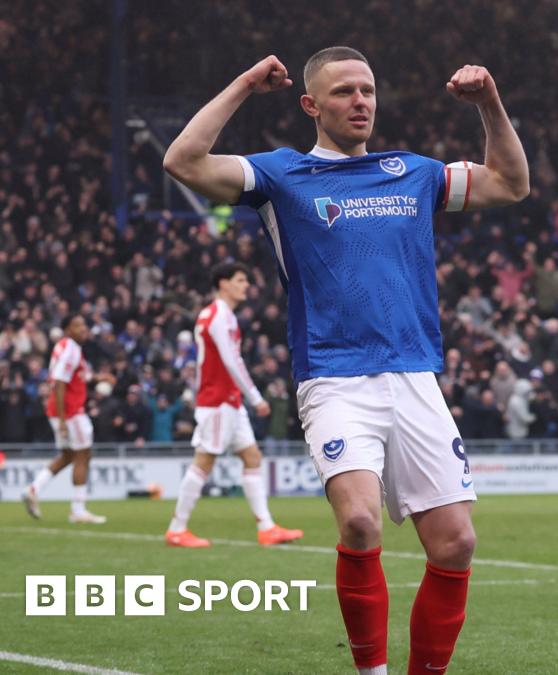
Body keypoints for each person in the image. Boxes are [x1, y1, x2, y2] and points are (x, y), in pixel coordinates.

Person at [163, 47, 528, 675]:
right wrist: (246, 83)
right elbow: (183, 161)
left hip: (414, 375)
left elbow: (511, 183)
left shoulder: (412, 173)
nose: (360, 102)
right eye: (343, 93)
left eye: (367, 90)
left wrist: (490, 103)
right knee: (359, 521)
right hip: (334, 376)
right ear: (311, 105)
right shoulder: (281, 175)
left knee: (458, 542)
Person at [165, 262, 303, 548]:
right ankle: (177, 528)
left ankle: (266, 527)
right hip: (217, 401)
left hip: (229, 400)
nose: (246, 286)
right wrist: (256, 397)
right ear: (224, 283)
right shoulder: (219, 315)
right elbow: (231, 360)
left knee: (251, 457)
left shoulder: (216, 314)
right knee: (204, 460)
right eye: (240, 280)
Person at [23, 315, 106, 524]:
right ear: (67, 329)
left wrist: (100, 378)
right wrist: (62, 419)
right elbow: (59, 382)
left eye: (84, 325)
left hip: (60, 410)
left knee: (68, 455)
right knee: (83, 455)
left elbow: (77, 376)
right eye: (78, 325)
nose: (83, 329)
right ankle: (78, 510)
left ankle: (34, 489)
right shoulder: (70, 348)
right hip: (70, 412)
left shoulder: (66, 347)